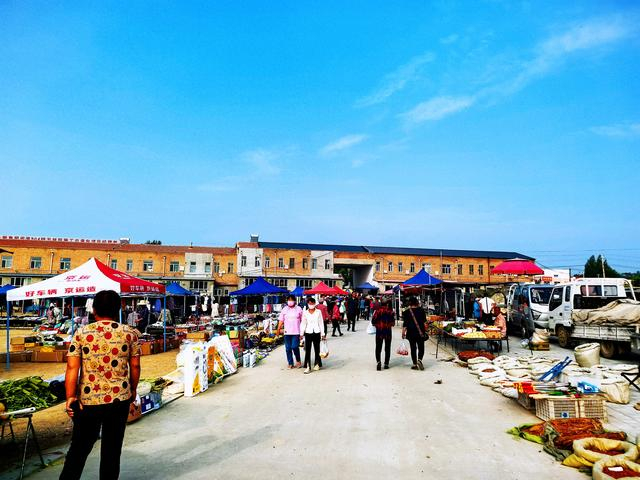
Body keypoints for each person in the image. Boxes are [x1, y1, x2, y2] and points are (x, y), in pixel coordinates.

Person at [60, 290, 141, 480]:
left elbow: (72, 368)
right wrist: (133, 389)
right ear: (118, 309)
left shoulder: (81, 333)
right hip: (119, 399)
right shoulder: (129, 334)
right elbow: (135, 366)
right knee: (112, 450)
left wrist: (70, 397)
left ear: (94, 309)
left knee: (79, 448)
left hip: (88, 402)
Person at [300, 297, 325, 374]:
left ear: (315, 304)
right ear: (308, 304)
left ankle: (317, 364)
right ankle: (308, 366)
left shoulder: (318, 312)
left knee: (317, 349)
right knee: (308, 350)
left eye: (312, 303)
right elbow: (303, 323)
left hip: (316, 332)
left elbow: (321, 323)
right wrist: (301, 333)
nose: (311, 305)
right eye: (309, 303)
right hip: (308, 332)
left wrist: (323, 333)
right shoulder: (305, 312)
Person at [277, 295, 303, 369]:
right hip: (287, 332)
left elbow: (302, 321)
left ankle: (298, 360)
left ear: (294, 301)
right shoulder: (285, 309)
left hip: (296, 332)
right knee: (288, 348)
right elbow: (281, 320)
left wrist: (302, 332)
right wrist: (278, 330)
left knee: (295, 347)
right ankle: (290, 363)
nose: (290, 301)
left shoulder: (299, 309)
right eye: (289, 300)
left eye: (291, 300)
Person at [402, 297, 427, 370]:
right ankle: (419, 360)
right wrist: (426, 330)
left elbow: (405, 324)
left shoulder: (406, 312)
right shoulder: (421, 310)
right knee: (421, 347)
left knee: (413, 348)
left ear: (410, 303)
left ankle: (414, 363)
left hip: (410, 333)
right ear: (417, 302)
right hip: (420, 332)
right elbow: (425, 322)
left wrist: (403, 333)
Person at [372, 300, 395, 370]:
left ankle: (378, 362)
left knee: (378, 347)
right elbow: (393, 323)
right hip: (388, 332)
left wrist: (378, 325)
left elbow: (373, 322)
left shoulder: (377, 311)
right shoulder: (390, 312)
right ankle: (386, 364)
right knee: (387, 348)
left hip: (379, 332)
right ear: (387, 304)